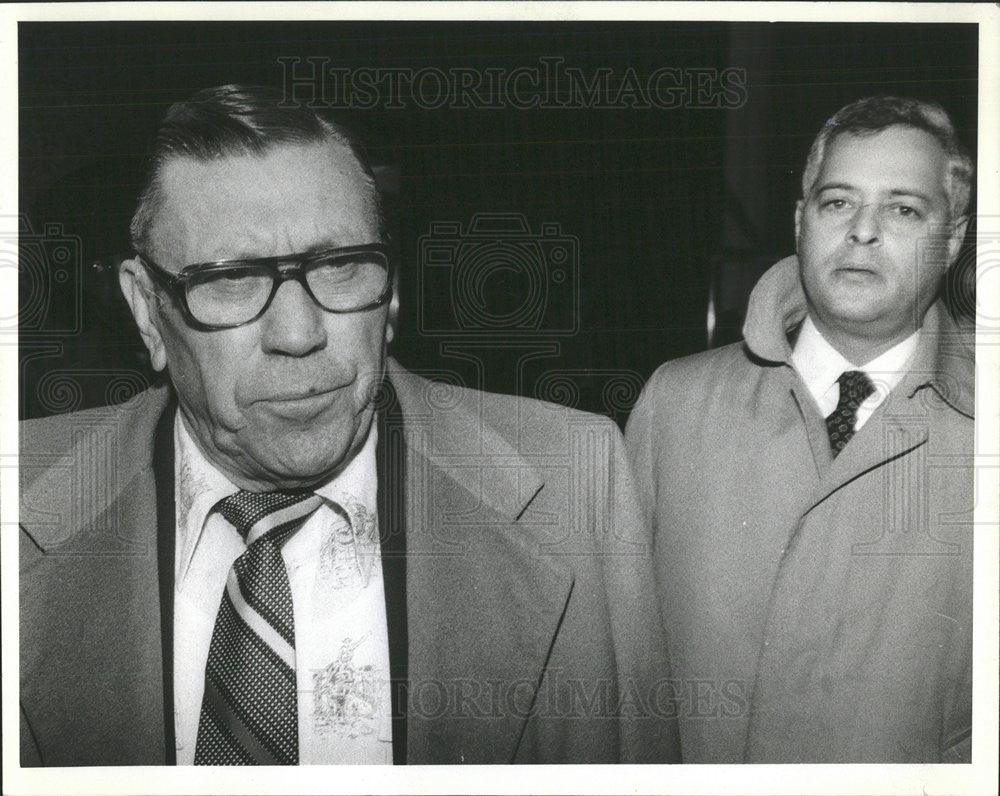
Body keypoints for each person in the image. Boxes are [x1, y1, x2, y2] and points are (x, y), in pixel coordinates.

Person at [19, 84, 676, 766]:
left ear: (391, 297)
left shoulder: (577, 480)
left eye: (340, 267)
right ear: (148, 312)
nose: (300, 333)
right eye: (234, 279)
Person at [626, 96, 975, 763]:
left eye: (904, 209)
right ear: (800, 220)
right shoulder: (676, 401)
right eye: (838, 202)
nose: (862, 232)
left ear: (953, 238)